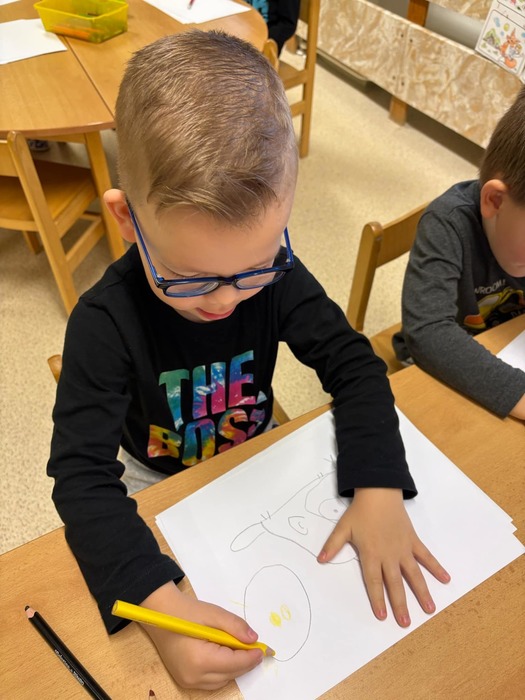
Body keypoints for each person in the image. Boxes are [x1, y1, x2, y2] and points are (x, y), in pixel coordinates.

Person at [47, 31, 449, 691]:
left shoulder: (275, 277)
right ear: (126, 219)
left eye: (255, 267)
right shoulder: (104, 323)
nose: (227, 299)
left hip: (252, 457)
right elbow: (80, 478)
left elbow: (352, 364)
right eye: (190, 278)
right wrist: (160, 611)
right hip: (153, 476)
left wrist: (378, 484)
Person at [393, 86, 525, 421]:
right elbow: (427, 333)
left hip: (503, 346)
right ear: (495, 201)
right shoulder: (447, 223)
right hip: (437, 361)